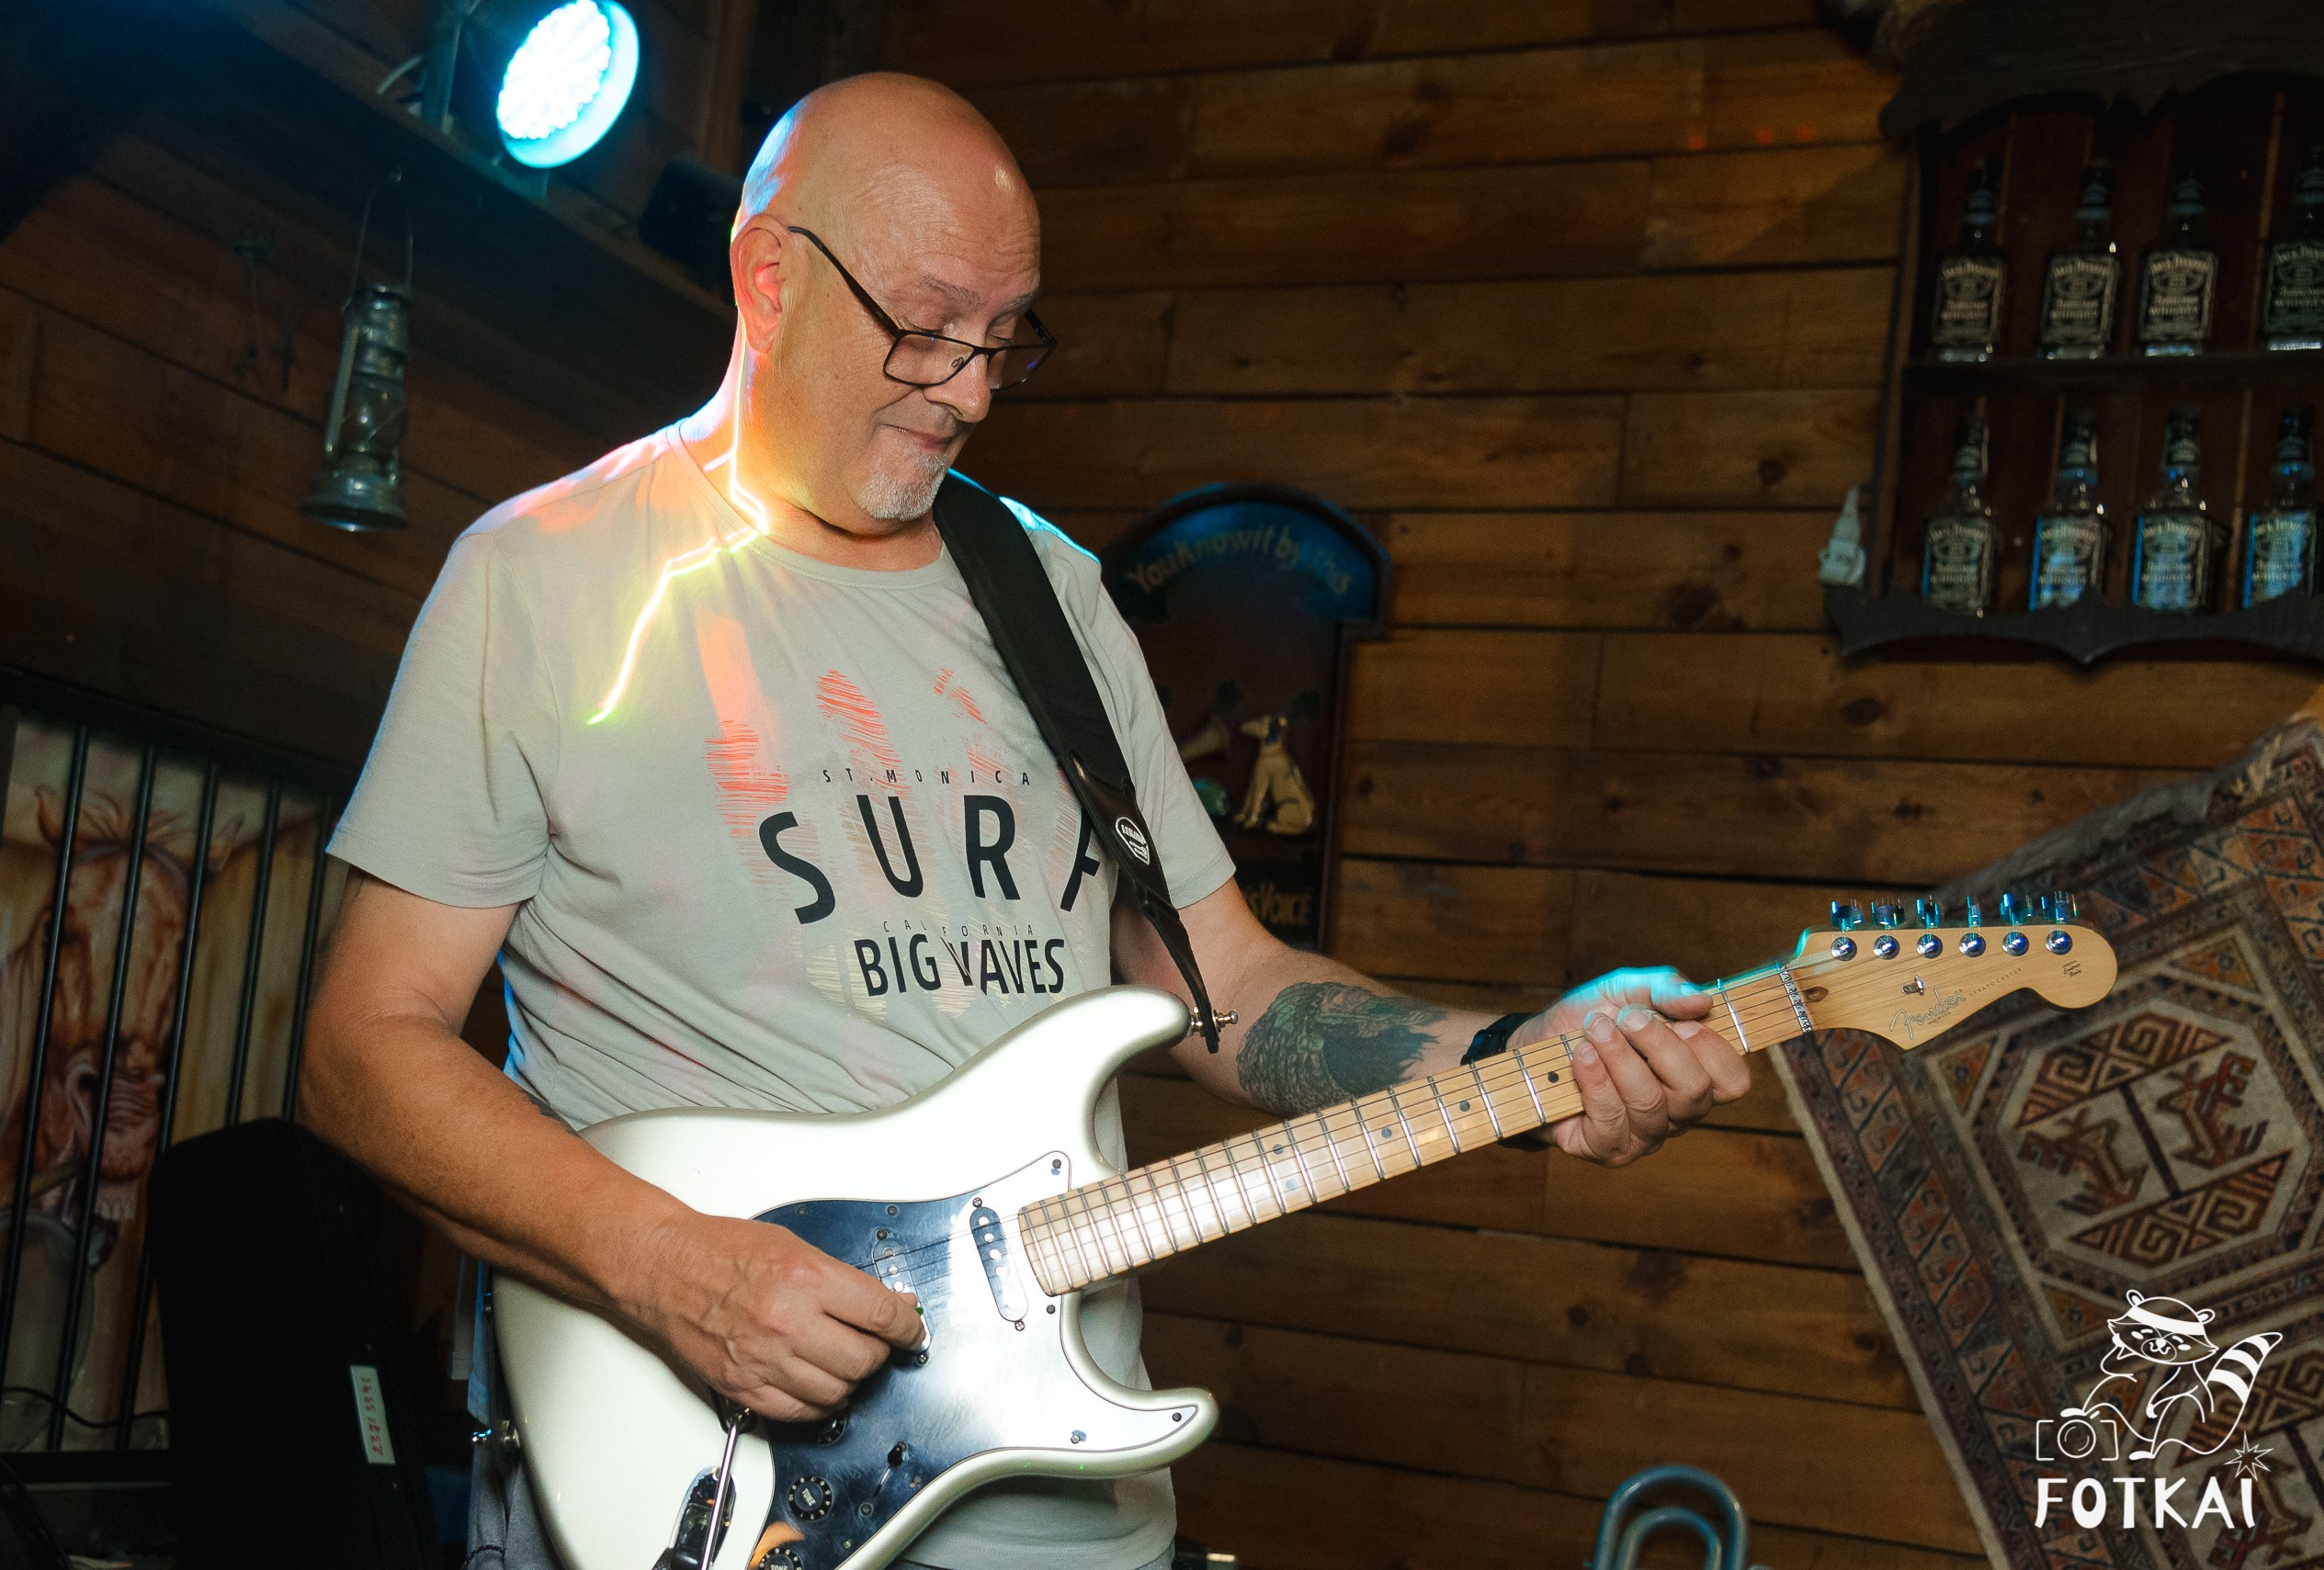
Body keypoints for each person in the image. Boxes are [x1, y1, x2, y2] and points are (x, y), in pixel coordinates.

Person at [298, 71, 1749, 1570]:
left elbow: (1227, 989)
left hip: (1067, 1503)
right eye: (929, 326)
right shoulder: (547, 576)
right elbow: (361, 1047)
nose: (976, 389)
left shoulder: (1053, 599)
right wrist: (672, 1270)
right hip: (699, 1477)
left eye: (1007, 339)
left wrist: (1524, 1057)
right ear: (769, 275)